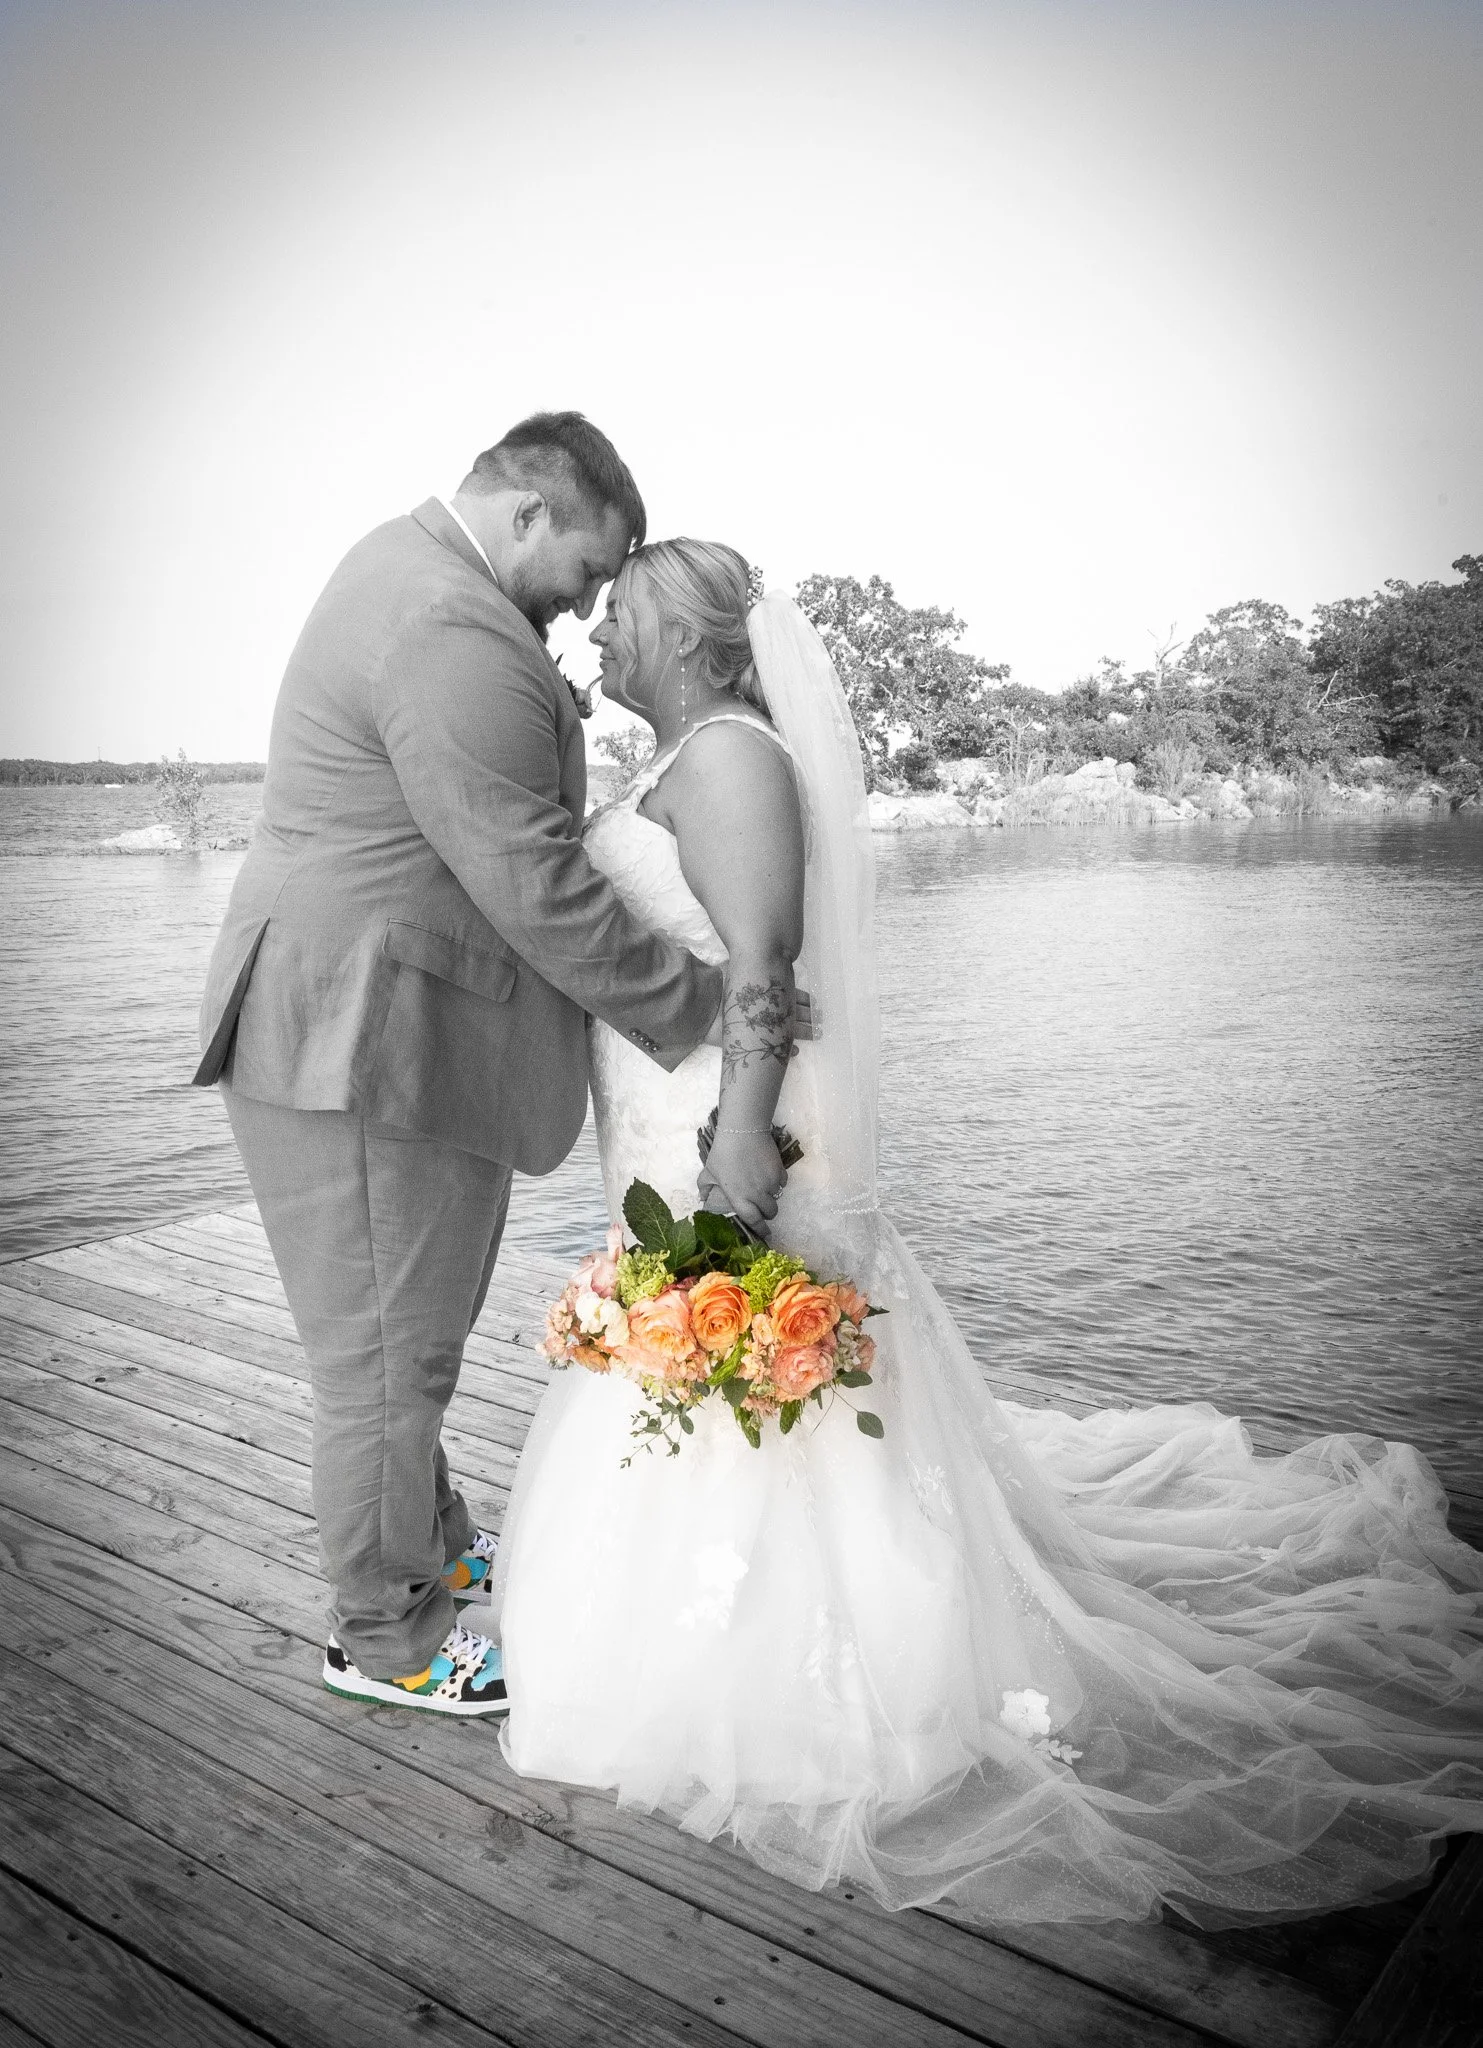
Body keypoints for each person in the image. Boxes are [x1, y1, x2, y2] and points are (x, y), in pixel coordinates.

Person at [492, 539, 1483, 1926]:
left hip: (726, 1121)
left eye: (623, 615)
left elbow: (766, 973)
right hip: (664, 1118)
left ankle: (814, 1676)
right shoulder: (684, 758)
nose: (598, 634)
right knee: (713, 1368)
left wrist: (737, 1134)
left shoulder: (726, 760)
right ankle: (721, 1635)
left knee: (764, 1358)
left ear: (700, 642)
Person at [195, 416, 743, 1718]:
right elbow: (529, 876)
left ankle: (429, 1548)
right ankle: (387, 1635)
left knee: (399, 1344)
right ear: (530, 516)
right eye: (590, 568)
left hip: (370, 1027)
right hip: (363, 1041)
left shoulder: (411, 576)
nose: (593, 604)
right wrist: (700, 1010)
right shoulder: (447, 623)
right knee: (385, 1359)